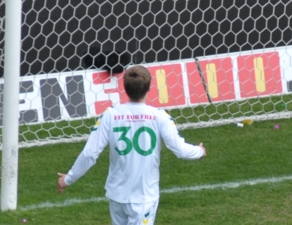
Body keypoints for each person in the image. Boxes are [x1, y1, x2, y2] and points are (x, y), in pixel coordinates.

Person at [57, 66, 206, 225]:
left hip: (117, 196)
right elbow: (180, 149)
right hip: (143, 197)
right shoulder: (159, 116)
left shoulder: (110, 115)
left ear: (125, 88)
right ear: (149, 87)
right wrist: (199, 151)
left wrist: (69, 178)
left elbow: (89, 154)